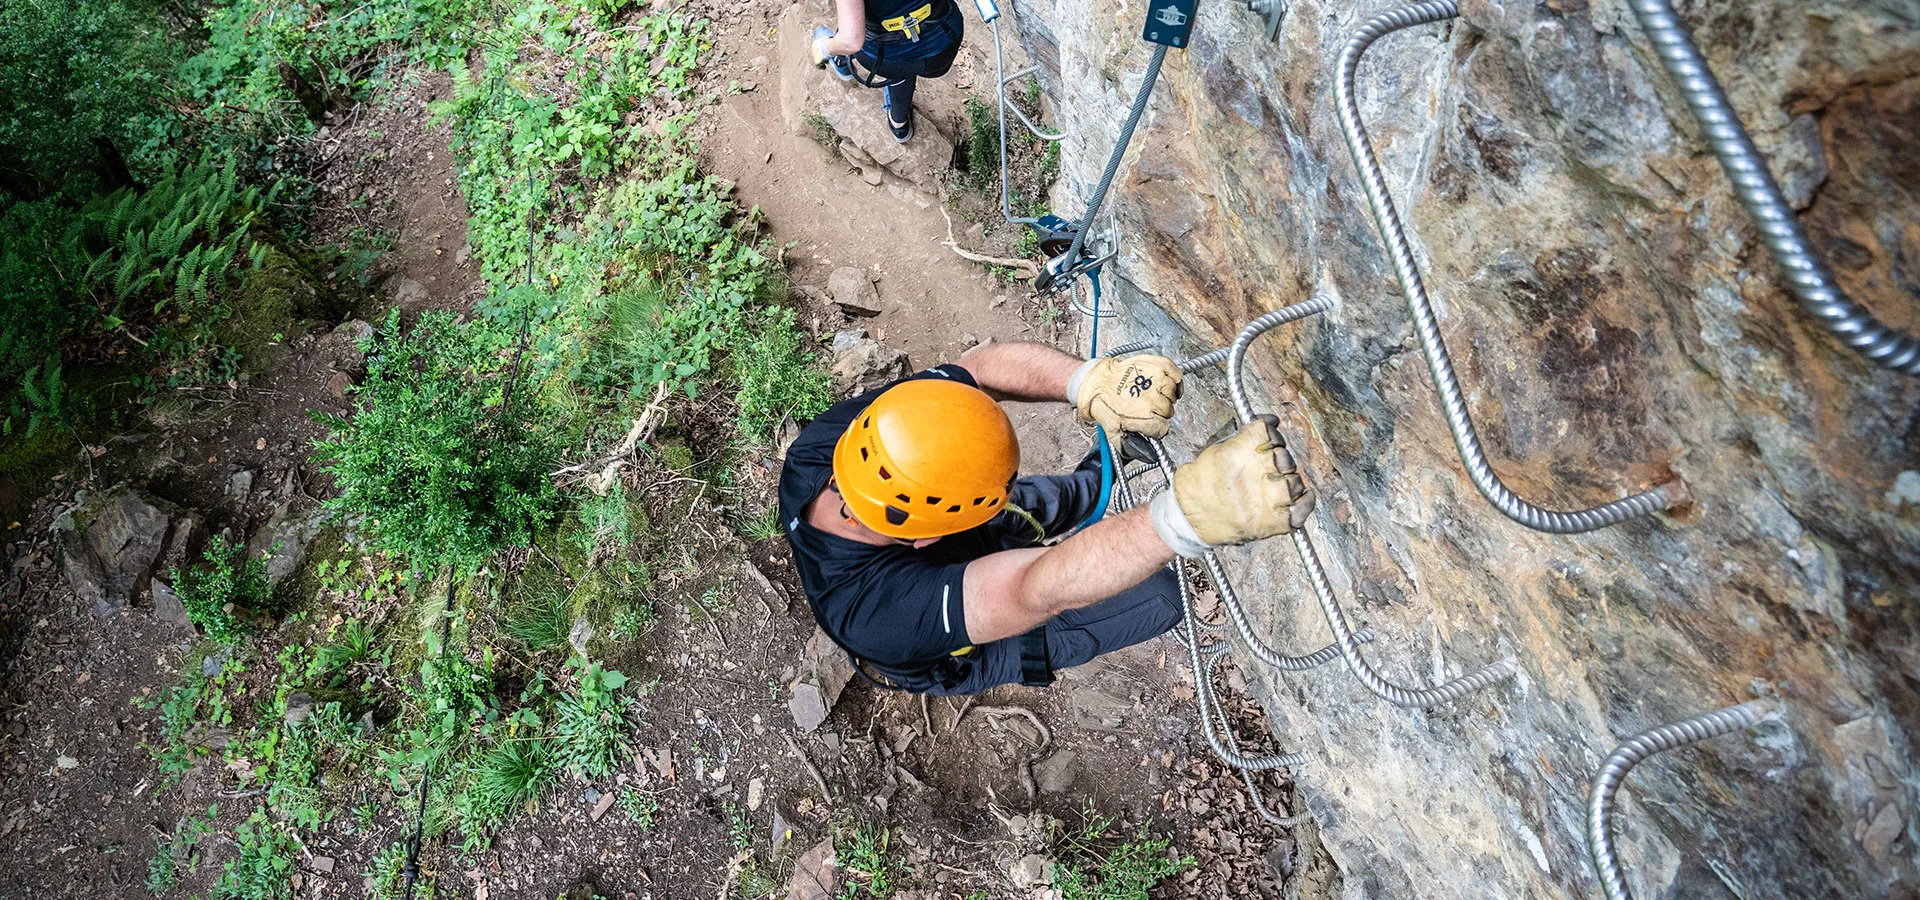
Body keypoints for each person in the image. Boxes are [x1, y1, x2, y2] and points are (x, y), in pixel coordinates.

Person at [778, 341, 1316, 695]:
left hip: (952, 543)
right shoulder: (877, 615)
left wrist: (1090, 383)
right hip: (962, 644)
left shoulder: (824, 448)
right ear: (927, 539)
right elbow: (1031, 590)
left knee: (1057, 500)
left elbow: (980, 367)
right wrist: (1184, 519)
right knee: (1161, 599)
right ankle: (1100, 526)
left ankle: (1104, 468)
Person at [809, 0, 965, 142]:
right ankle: (899, 126)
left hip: (887, 58)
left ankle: (843, 62)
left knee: (897, 69)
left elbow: (851, 41)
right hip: (943, 45)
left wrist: (823, 48)